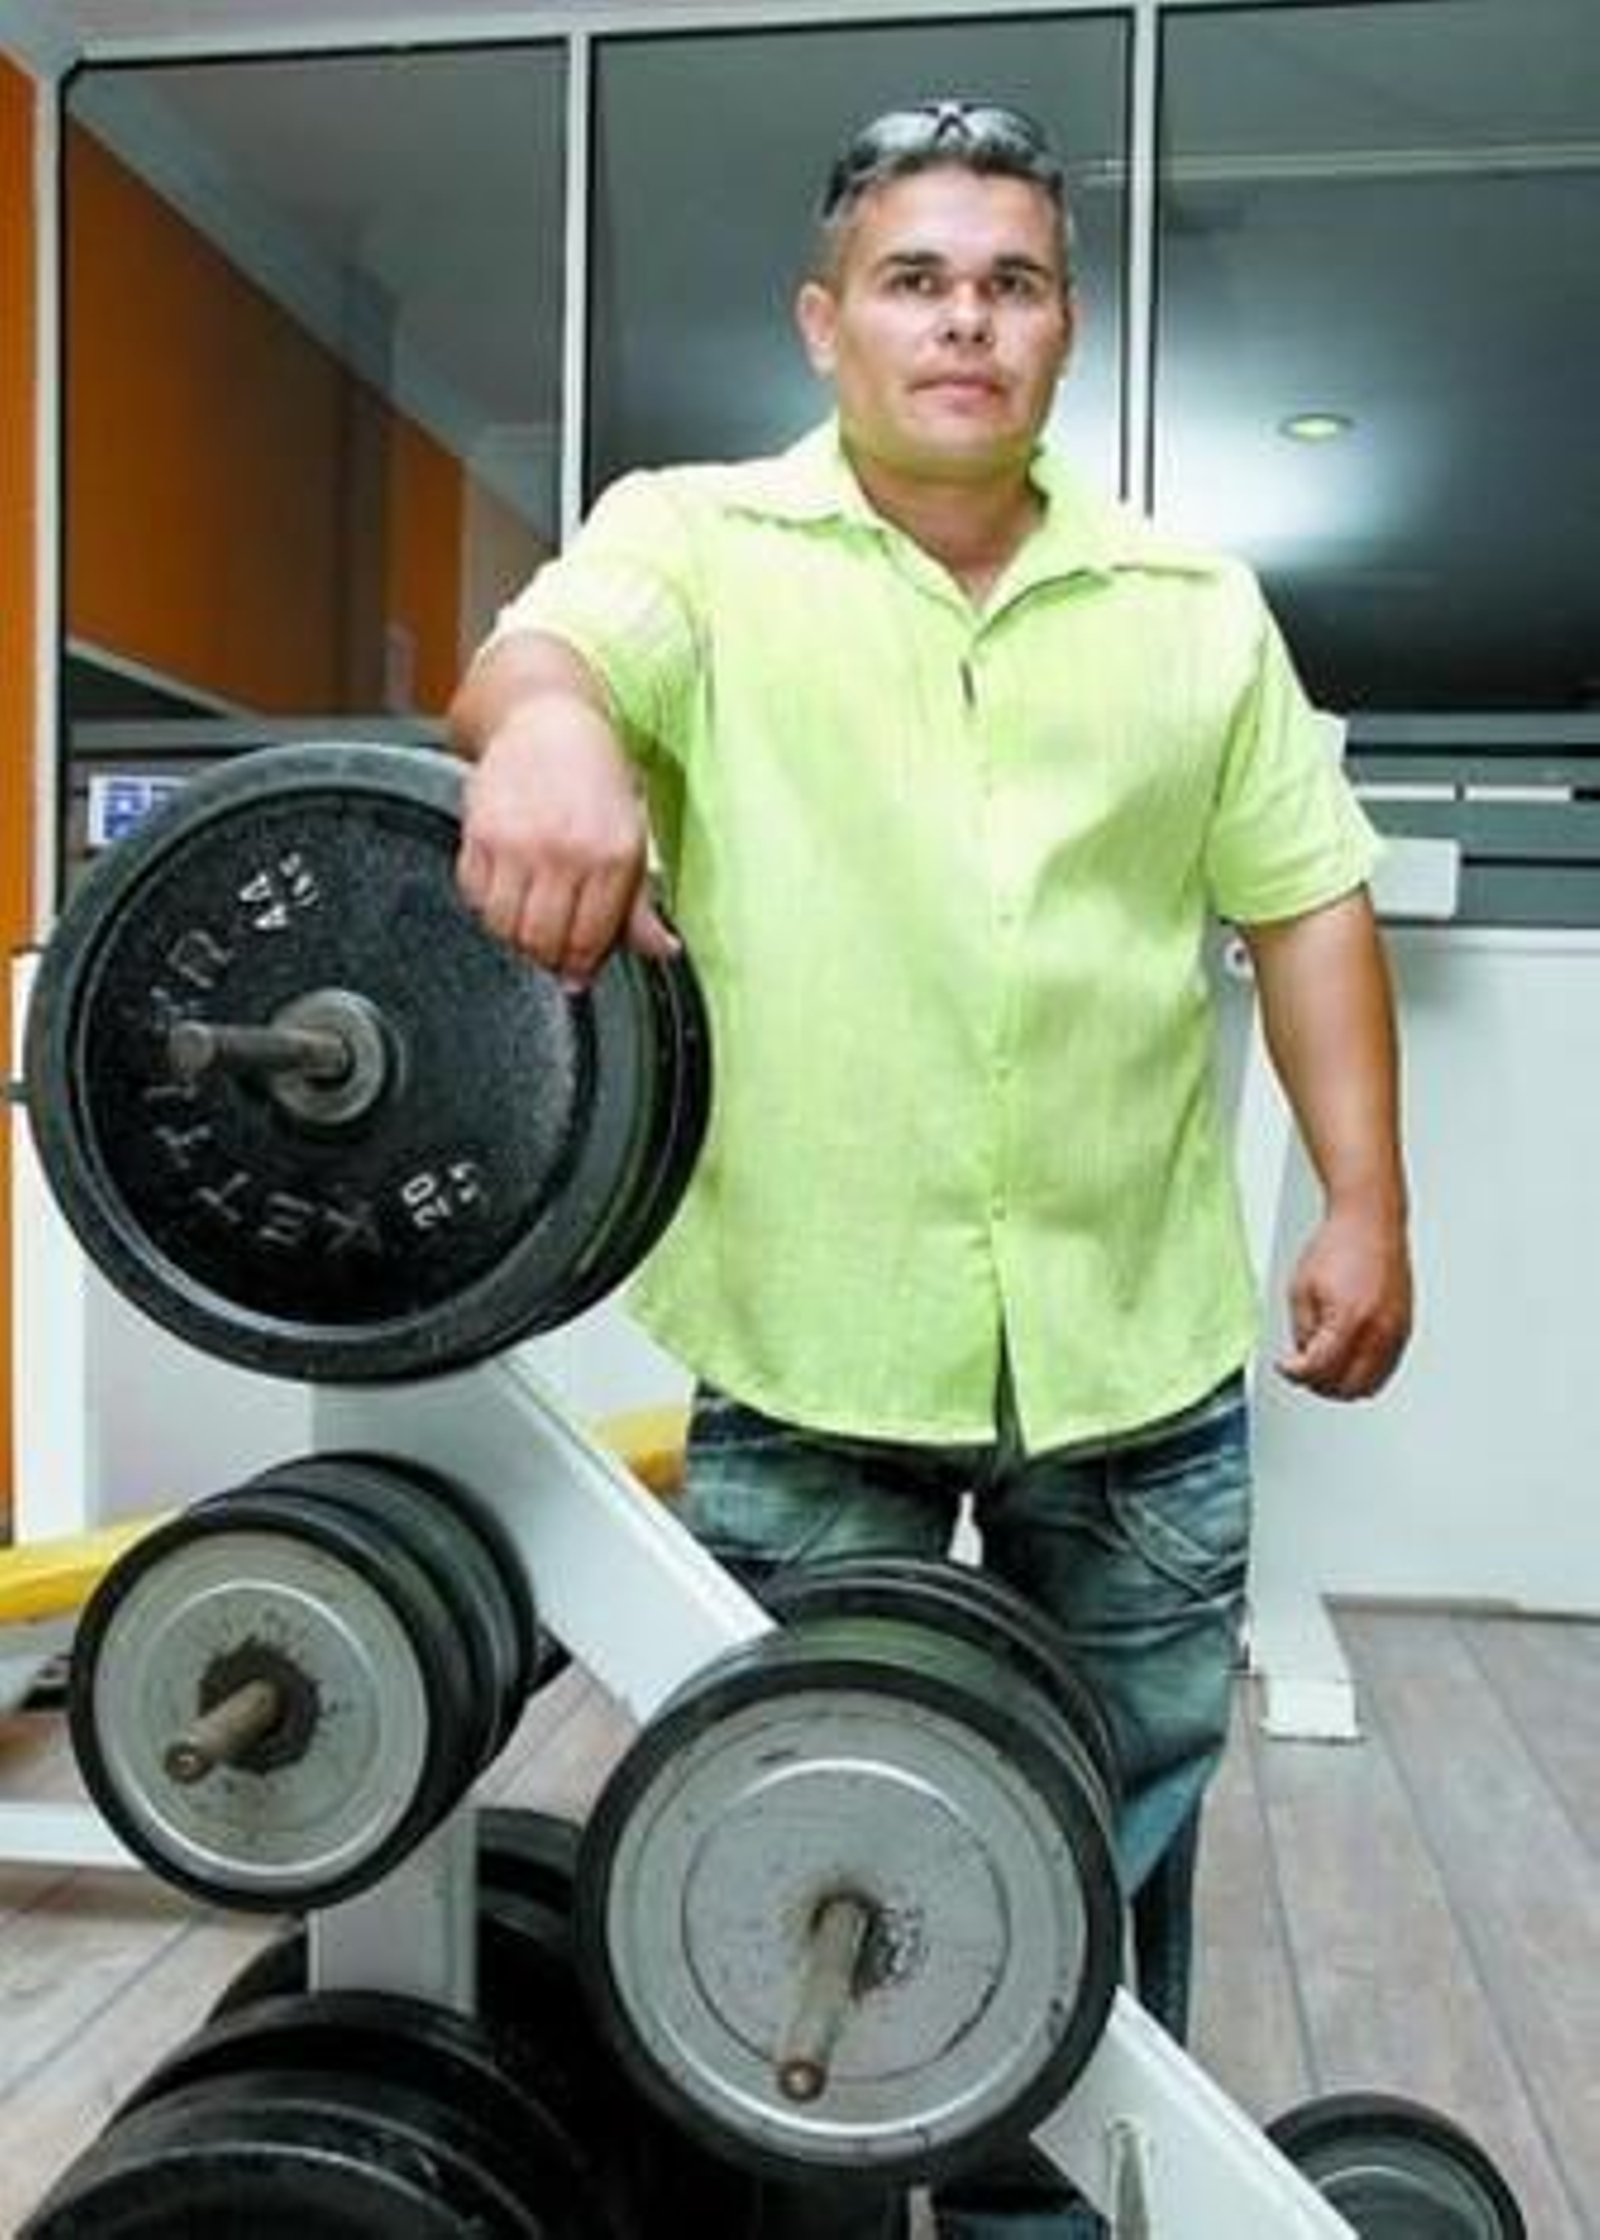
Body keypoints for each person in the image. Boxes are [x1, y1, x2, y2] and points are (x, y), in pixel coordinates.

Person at [448, 97, 1412, 2240]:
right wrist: (549, 731)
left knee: (1100, 1856)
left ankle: (1045, 2222)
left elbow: (1304, 900)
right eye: (914, 278)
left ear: (1064, 330)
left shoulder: (1189, 603)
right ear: (824, 323)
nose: (961, 319)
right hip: (807, 1344)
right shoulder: (694, 543)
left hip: (1131, 1358)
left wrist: (1363, 1200)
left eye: (1008, 281)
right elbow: (543, 649)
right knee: (795, 1837)